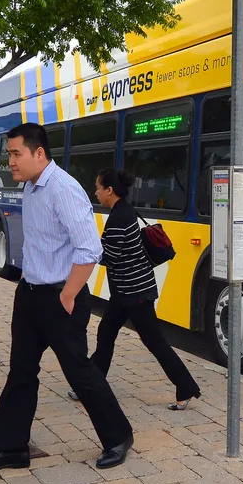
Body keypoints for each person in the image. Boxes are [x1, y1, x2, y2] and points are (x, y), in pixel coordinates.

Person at [0, 123, 134, 472]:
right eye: (9, 154)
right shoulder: (31, 187)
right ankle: (11, 448)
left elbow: (90, 249)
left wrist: (69, 294)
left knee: (80, 373)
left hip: (61, 298)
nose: (10, 162)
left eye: (16, 154)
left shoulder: (63, 189)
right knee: (21, 372)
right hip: (30, 296)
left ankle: (118, 437)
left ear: (38, 153)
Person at [65, 168, 201, 410]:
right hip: (126, 291)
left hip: (134, 292)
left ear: (109, 190)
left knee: (153, 340)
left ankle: (186, 386)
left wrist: (86, 244)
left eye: (98, 187)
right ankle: (92, 385)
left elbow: (110, 257)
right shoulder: (123, 211)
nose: (95, 192)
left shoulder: (119, 218)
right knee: (106, 333)